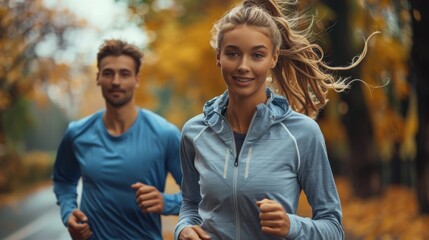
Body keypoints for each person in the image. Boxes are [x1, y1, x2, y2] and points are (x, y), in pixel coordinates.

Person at [174, 0, 378, 239]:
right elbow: (189, 204)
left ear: (273, 58)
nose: (243, 66)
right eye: (232, 54)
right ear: (218, 56)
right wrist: (183, 229)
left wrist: (292, 226)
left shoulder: (302, 133)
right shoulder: (194, 132)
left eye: (257, 55)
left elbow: (333, 228)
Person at [52, 39, 182, 240]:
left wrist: (166, 203)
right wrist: (68, 212)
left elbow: (200, 197)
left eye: (124, 73)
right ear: (98, 78)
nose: (116, 81)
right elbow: (64, 180)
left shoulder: (165, 134)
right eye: (108, 73)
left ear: (137, 79)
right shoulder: (77, 133)